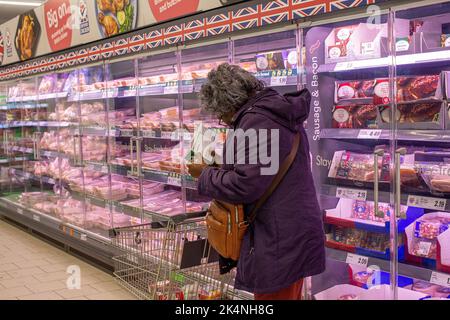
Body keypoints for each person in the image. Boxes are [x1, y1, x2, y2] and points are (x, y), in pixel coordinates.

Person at [188, 63, 325, 300]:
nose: (224, 121)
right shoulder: (269, 112)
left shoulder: (259, 121)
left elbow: (246, 185)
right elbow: (260, 171)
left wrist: (205, 174)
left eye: (221, 115)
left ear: (229, 103)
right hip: (286, 230)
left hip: (280, 238)